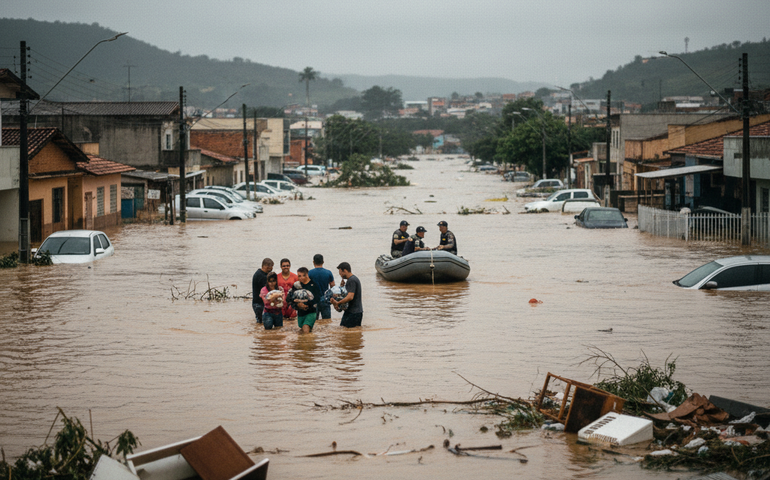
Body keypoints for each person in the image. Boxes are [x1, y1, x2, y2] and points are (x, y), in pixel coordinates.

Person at [290, 267, 322, 333]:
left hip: (311, 312)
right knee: (303, 331)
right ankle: (309, 342)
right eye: (298, 276)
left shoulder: (314, 285)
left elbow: (318, 298)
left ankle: (307, 342)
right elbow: (291, 298)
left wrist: (306, 305)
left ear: (306, 275)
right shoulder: (296, 286)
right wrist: (298, 305)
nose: (299, 278)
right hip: (300, 313)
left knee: (306, 328)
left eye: (300, 276)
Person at [331, 262, 363, 328]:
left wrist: (338, 303)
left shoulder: (351, 280)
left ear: (345, 270)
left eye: (341, 273)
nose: (341, 275)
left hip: (353, 312)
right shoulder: (353, 279)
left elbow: (350, 296)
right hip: (355, 312)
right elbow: (347, 294)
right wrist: (342, 287)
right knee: (351, 333)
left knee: (345, 331)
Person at [309, 254, 335, 320]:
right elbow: (333, 286)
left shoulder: (309, 273)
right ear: (323, 262)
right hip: (325, 299)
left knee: (313, 321)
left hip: (314, 299)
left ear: (313, 262)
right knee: (327, 321)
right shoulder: (328, 273)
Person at [252, 258, 273, 323]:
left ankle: (259, 332)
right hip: (259, 303)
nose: (272, 268)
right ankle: (259, 332)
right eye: (271, 266)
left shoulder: (260, 273)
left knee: (261, 321)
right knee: (261, 322)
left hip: (258, 302)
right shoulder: (261, 276)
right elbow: (268, 289)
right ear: (267, 266)